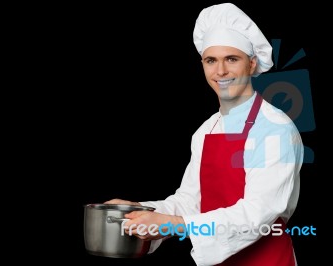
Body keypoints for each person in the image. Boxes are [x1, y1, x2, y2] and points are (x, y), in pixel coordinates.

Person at [105, 3, 304, 266]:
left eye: (231, 59)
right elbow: (189, 201)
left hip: (267, 260)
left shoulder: (274, 128)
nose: (220, 71)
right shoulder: (206, 130)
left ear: (252, 63)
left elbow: (258, 213)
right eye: (211, 60)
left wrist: (177, 225)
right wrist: (138, 212)